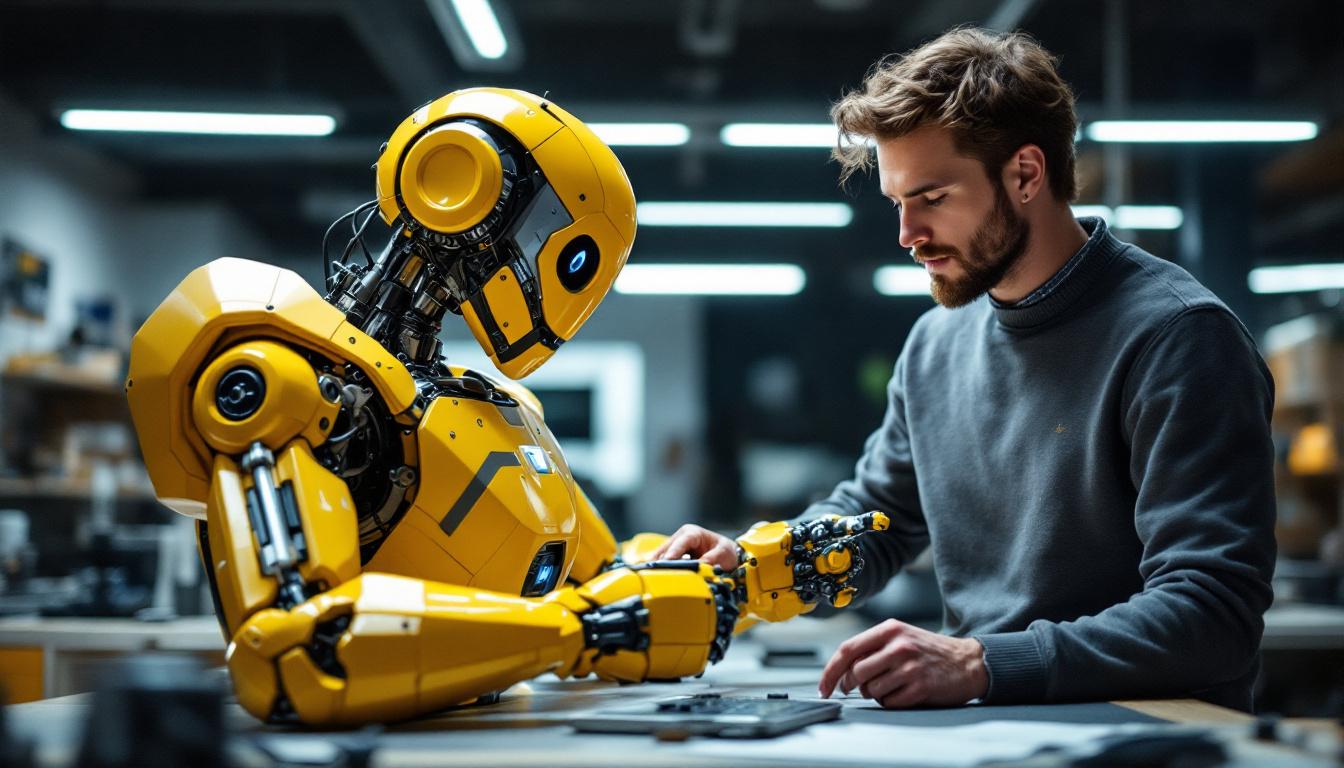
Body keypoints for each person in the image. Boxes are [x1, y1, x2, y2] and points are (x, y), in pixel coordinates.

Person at [649, 26, 1276, 712]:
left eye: (933, 197)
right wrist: (750, 568)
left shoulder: (1178, 338)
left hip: (1151, 729)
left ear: (1026, 175)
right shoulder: (935, 343)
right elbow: (876, 518)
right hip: (992, 722)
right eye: (898, 202)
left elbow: (1213, 614)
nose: (906, 235)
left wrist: (982, 662)